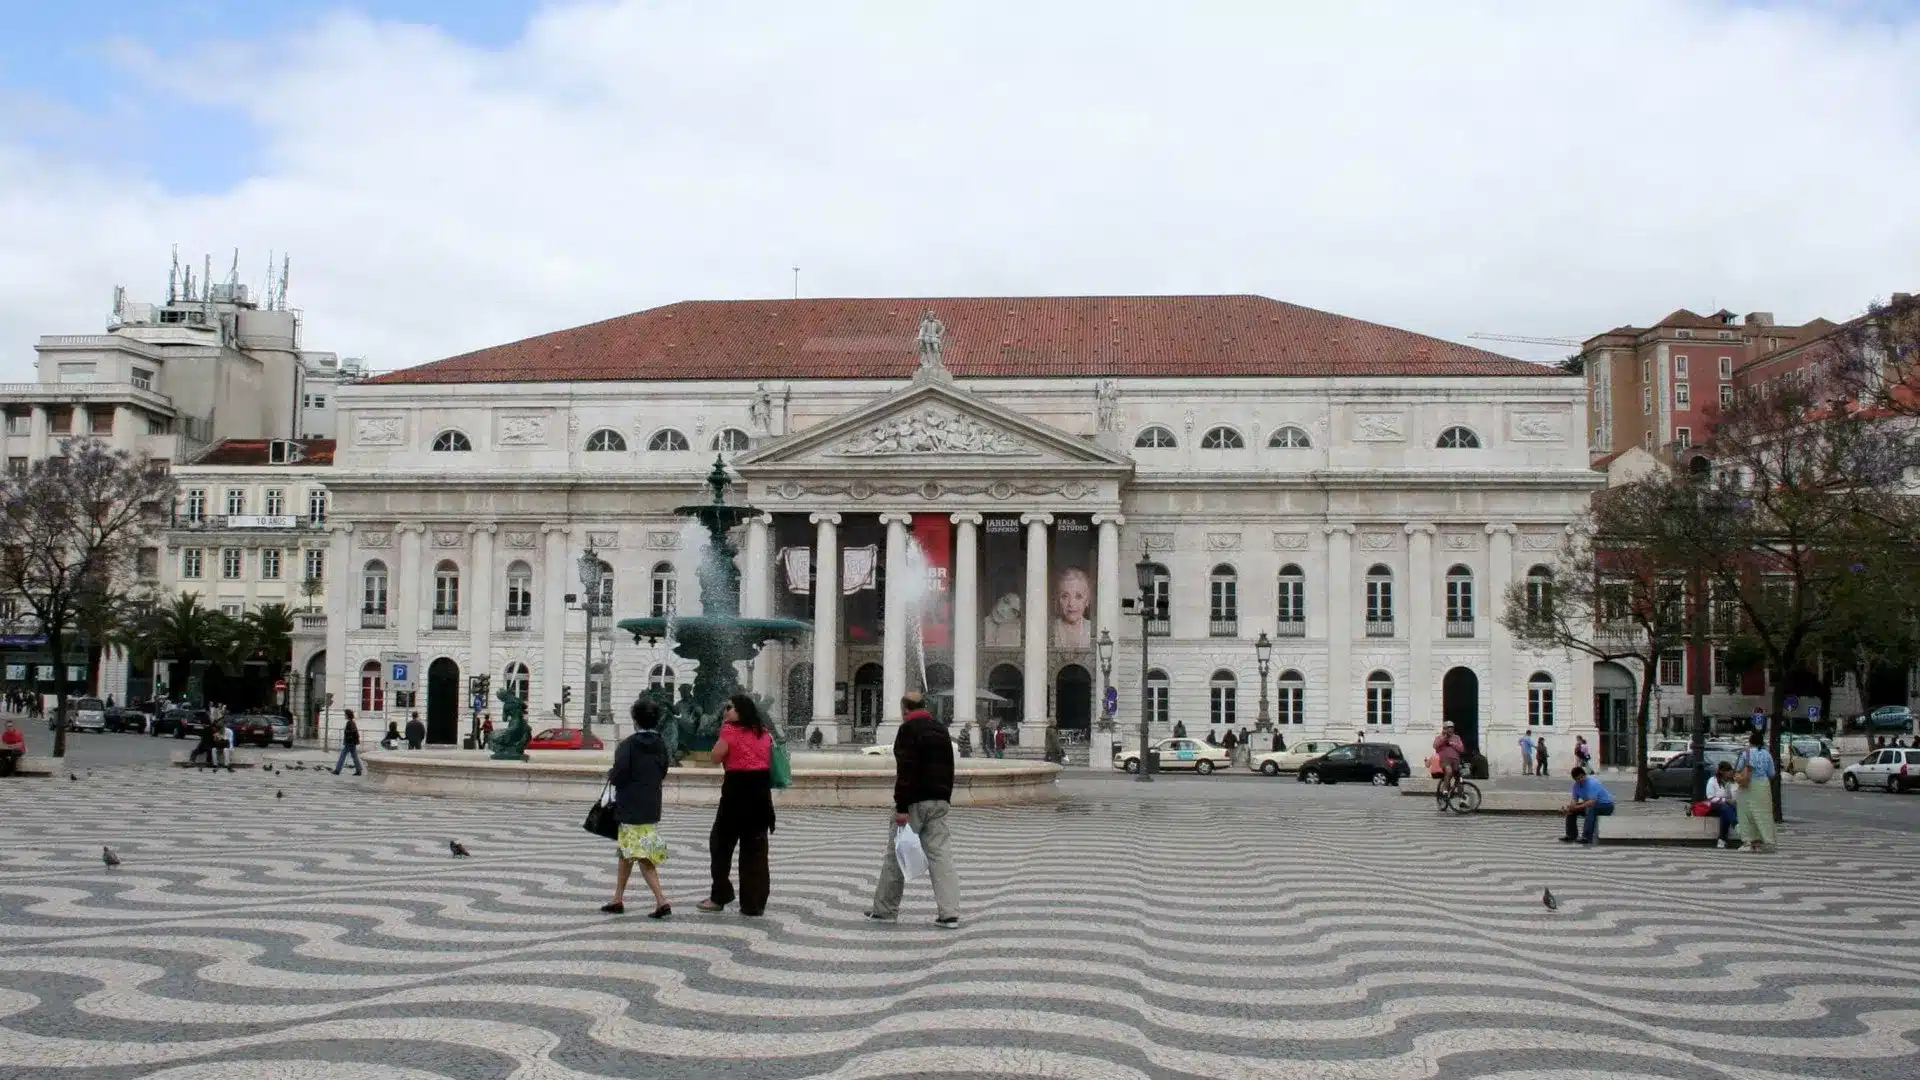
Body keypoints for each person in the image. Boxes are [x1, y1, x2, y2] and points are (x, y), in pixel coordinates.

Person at [866, 692, 961, 927]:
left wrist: (901, 807)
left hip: (915, 801)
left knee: (896, 854)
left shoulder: (908, 729)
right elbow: (949, 765)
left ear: (905, 709)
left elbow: (906, 771)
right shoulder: (940, 728)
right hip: (939, 800)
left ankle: (885, 910)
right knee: (941, 856)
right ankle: (949, 913)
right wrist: (944, 797)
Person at [700, 694, 775, 915]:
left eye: (729, 707)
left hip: (736, 793)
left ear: (740, 710)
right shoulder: (764, 733)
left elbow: (715, 757)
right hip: (761, 795)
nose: (725, 711)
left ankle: (720, 895)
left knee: (721, 845)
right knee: (755, 850)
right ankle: (753, 903)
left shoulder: (729, 731)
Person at [603, 697, 673, 918]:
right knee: (627, 852)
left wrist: (612, 776)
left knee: (642, 855)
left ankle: (662, 900)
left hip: (630, 804)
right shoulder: (661, 744)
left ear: (635, 719)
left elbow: (619, 772)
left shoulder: (629, 744)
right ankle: (617, 898)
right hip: (651, 803)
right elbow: (663, 769)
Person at [1734, 728, 1778, 854]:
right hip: (1763, 786)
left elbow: (1737, 769)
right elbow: (1772, 773)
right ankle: (1762, 842)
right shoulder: (1767, 754)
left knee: (1746, 814)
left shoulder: (1746, 754)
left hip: (1748, 786)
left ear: (1750, 741)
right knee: (1762, 814)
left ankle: (1748, 842)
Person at [1561, 766, 1615, 844]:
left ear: (1585, 775)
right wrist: (1571, 808)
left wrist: (1576, 807)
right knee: (1572, 811)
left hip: (1606, 806)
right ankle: (1571, 836)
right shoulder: (1576, 786)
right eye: (1578, 779)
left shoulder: (1592, 783)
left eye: (1582, 777)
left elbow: (1592, 802)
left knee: (1591, 809)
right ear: (1575, 779)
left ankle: (1586, 837)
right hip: (1592, 804)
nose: (1581, 780)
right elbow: (1574, 799)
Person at [1050, 567, 1093, 648]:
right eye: (1065, 596)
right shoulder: (1049, 630)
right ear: (1058, 599)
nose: (1071, 603)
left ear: (1087, 601)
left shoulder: (1093, 630)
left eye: (1078, 596)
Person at [1705, 760, 1741, 849]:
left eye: (1731, 771)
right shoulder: (1713, 781)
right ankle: (1736, 824)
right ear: (1721, 771)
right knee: (1725, 807)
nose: (1730, 773)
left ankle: (1722, 839)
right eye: (1727, 771)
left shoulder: (1734, 782)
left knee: (1725, 812)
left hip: (1729, 807)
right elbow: (1710, 798)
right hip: (1715, 805)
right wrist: (1726, 800)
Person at [1433, 722, 1466, 801]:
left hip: (1455, 761)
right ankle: (1444, 791)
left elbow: (1462, 749)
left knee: (1459, 779)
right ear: (1444, 729)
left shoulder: (1457, 738)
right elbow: (1435, 746)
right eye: (1448, 728)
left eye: (1452, 728)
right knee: (1449, 772)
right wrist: (1444, 738)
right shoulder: (1440, 737)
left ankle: (1462, 799)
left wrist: (1452, 744)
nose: (1450, 729)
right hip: (1445, 760)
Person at [334, 710, 363, 776]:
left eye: (345, 714)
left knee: (342, 756)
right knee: (355, 756)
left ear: (347, 715)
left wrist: (347, 740)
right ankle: (359, 770)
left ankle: (337, 770)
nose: (344, 715)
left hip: (349, 743)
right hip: (352, 743)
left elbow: (351, 733)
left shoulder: (349, 723)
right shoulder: (352, 722)